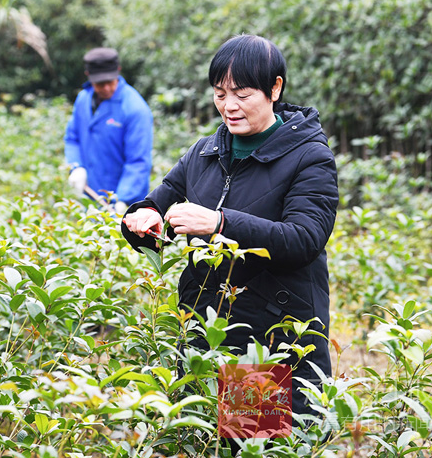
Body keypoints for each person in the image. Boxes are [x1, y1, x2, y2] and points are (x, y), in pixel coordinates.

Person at [121, 34, 338, 418]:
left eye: (242, 93)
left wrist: (220, 223)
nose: (229, 106)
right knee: (199, 437)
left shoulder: (309, 157)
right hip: (204, 329)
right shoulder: (205, 150)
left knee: (252, 440)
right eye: (220, 93)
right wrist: (145, 217)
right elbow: (163, 197)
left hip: (269, 335)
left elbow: (304, 239)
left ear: (275, 88)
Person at [64, 47, 153, 214]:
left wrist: (122, 199)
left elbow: (138, 162)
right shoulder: (83, 99)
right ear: (88, 76)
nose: (106, 88)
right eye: (99, 83)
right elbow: (72, 138)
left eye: (110, 82)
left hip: (124, 203)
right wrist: (76, 166)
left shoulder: (135, 109)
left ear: (118, 72)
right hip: (91, 195)